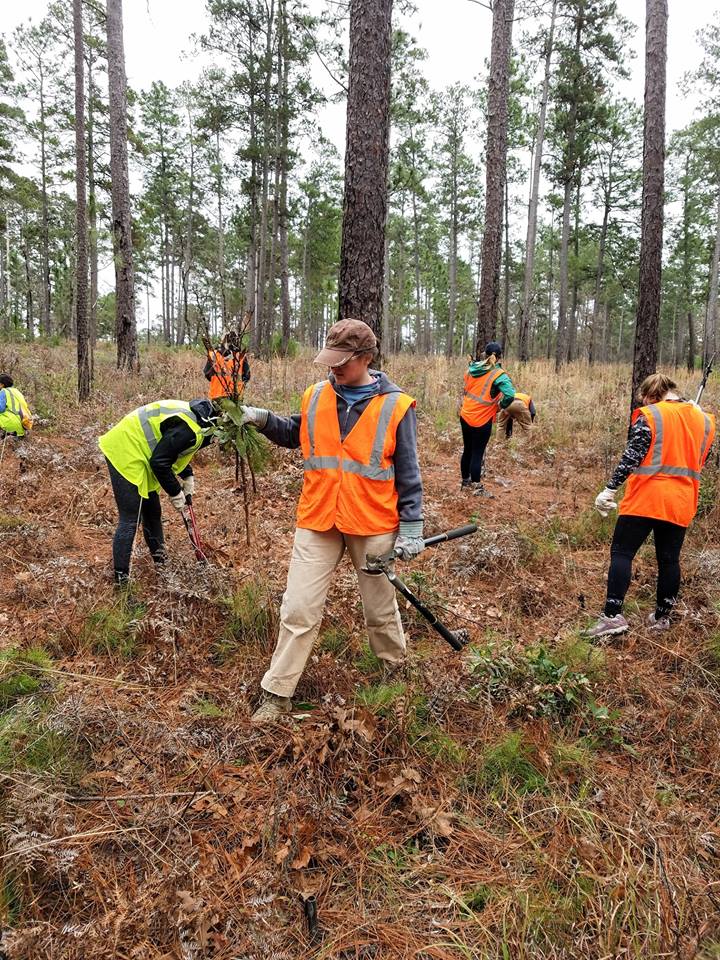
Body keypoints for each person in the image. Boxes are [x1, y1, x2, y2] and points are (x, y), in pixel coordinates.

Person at [241, 318, 424, 723]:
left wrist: (412, 528)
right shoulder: (315, 395)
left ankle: (394, 672)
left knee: (379, 608)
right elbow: (296, 432)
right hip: (319, 517)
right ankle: (277, 693)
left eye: (342, 362)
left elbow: (409, 472)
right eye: (330, 361)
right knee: (299, 608)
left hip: (372, 522)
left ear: (366, 358)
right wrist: (260, 417)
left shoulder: (396, 406)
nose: (333, 369)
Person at [586, 373, 715, 638]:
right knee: (669, 560)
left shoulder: (651, 415)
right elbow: (702, 458)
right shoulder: (704, 420)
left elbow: (632, 456)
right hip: (681, 501)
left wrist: (609, 490)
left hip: (646, 498)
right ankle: (662, 618)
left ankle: (612, 617)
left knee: (622, 553)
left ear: (650, 395)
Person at [98, 399, 217, 586]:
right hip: (126, 448)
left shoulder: (201, 420)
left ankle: (163, 570)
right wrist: (175, 492)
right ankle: (122, 584)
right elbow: (160, 462)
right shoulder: (192, 428)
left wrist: (187, 475)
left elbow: (173, 447)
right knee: (130, 518)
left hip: (143, 452)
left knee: (153, 514)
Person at [458, 341, 515, 495]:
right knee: (477, 452)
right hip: (481, 419)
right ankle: (476, 487)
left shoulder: (473, 368)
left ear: (484, 354)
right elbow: (510, 394)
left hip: (465, 414)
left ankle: (465, 482)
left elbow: (468, 386)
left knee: (468, 450)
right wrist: (499, 406)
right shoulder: (498, 374)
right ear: (500, 356)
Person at [204, 335, 250, 401]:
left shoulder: (214, 354)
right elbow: (247, 376)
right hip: (236, 397)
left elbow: (207, 374)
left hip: (217, 396)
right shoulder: (240, 356)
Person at [0, 373, 33, 438]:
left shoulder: (4, 391)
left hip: (10, 425)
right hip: (22, 426)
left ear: (2, 384)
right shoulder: (17, 392)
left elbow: (1, 408)